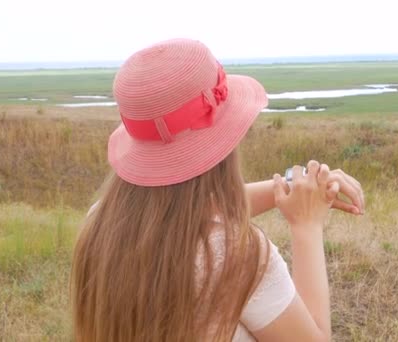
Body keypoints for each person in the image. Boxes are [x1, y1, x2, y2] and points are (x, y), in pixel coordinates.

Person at [71, 38, 364, 342]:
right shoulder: (238, 255)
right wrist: (306, 225)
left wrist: (290, 187)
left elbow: (187, 213)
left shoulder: (101, 222)